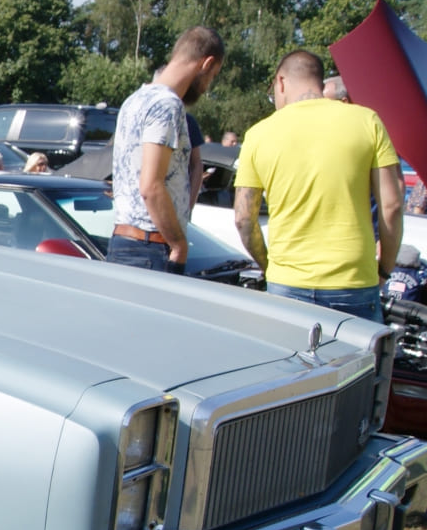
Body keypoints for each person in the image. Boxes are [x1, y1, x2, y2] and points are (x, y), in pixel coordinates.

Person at [234, 50, 403, 322]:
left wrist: (269, 267)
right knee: (356, 365)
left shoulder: (258, 134)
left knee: (288, 365)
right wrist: (385, 269)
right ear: (320, 82)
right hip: (354, 282)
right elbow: (392, 205)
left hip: (286, 283)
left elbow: (243, 219)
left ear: (281, 82)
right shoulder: (366, 121)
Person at [108, 27, 225, 272]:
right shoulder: (167, 104)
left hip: (126, 241)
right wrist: (179, 244)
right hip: (150, 246)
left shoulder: (135, 99)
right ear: (207, 63)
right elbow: (151, 186)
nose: (207, 87)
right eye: (212, 76)